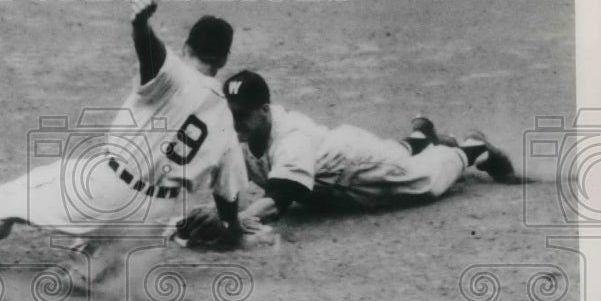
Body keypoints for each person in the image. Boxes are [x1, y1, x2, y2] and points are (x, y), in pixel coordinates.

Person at [0, 0, 249, 283]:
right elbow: (228, 197)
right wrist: (233, 232)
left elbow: (151, 53)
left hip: (106, 191)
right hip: (152, 218)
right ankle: (84, 268)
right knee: (117, 238)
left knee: (6, 198)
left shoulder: (176, 73)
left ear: (187, 46)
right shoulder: (227, 124)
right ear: (223, 60)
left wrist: (140, 24)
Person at [216, 69, 517, 225]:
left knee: (424, 183)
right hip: (339, 150)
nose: (234, 121)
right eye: (229, 113)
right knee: (397, 155)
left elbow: (276, 203)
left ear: (265, 110)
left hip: (357, 167)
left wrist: (235, 221)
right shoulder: (237, 134)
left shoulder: (291, 140)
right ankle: (422, 136)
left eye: (242, 114)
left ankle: (472, 148)